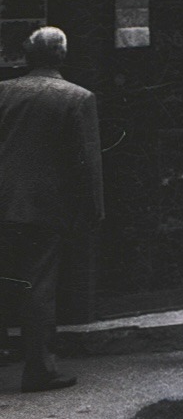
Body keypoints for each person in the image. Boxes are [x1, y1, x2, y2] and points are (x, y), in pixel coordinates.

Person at [0, 27, 103, 392]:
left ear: (28, 56)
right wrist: (92, 211)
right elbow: (87, 163)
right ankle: (39, 369)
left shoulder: (3, 91)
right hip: (43, 208)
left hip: (3, 202)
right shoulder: (78, 98)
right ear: (61, 56)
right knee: (38, 287)